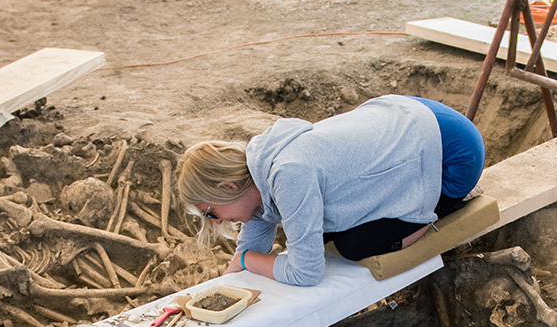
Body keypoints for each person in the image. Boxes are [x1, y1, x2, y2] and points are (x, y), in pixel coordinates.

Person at [179, 94, 485, 286]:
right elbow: (252, 247)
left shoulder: (287, 173)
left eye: (211, 212)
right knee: (323, 235)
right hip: (408, 114)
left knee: (354, 244)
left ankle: (439, 210)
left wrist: (246, 260)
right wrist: (224, 280)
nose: (216, 222)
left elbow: (306, 273)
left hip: (451, 154)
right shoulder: (259, 170)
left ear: (229, 187)